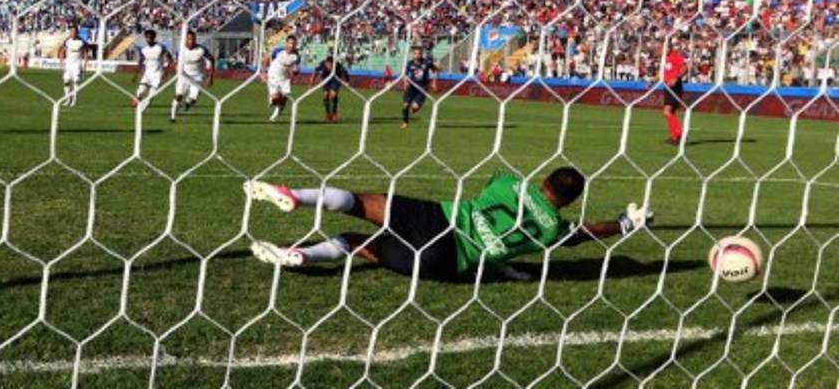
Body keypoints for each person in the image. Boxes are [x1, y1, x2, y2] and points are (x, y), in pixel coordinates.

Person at [246, 167, 653, 280]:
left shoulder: (510, 182)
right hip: (445, 262)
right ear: (571, 201)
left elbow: (490, 186)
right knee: (354, 242)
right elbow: (582, 234)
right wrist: (623, 224)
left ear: (544, 179)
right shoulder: (553, 231)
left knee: (357, 202)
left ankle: (296, 196)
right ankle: (302, 255)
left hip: (438, 218)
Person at [171, 29, 214, 122]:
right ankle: (172, 117)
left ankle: (187, 104)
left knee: (193, 99)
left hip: (198, 77)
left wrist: (210, 77)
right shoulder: (181, 50)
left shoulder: (201, 50)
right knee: (179, 95)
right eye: (189, 39)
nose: (192, 41)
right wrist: (176, 69)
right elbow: (175, 63)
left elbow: (212, 59)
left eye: (193, 39)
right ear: (185, 39)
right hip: (184, 76)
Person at [131, 29, 173, 110]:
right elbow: (141, 62)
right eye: (147, 37)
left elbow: (170, 59)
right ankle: (138, 104)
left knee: (151, 95)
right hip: (147, 75)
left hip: (157, 75)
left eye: (150, 37)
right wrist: (135, 75)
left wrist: (166, 73)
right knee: (139, 93)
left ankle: (141, 110)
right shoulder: (144, 49)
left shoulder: (160, 47)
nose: (149, 39)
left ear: (154, 38)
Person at [267, 35, 301, 122]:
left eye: (293, 44)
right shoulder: (278, 50)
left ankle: (277, 113)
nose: (291, 45)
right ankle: (272, 100)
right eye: (290, 43)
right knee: (275, 99)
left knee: (284, 97)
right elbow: (266, 58)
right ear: (286, 43)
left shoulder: (296, 56)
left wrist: (295, 72)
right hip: (273, 76)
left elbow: (296, 70)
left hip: (285, 77)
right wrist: (263, 72)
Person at [400, 46, 435, 128]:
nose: (417, 55)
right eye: (415, 53)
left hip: (422, 88)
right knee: (405, 105)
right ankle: (405, 122)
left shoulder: (426, 62)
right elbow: (404, 75)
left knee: (414, 107)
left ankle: (418, 106)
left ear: (421, 54)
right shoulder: (410, 63)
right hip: (412, 87)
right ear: (413, 54)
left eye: (419, 53)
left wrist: (434, 82)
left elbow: (436, 70)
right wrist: (405, 82)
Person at [661, 40, 687, 146]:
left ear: (670, 48)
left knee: (667, 111)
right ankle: (675, 137)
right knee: (670, 112)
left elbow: (685, 68)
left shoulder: (676, 56)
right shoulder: (665, 58)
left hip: (675, 87)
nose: (663, 50)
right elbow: (663, 72)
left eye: (665, 48)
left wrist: (676, 78)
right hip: (667, 87)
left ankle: (680, 135)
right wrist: (652, 80)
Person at [313, 53, 350, 123]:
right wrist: (312, 83)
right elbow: (315, 72)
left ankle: (334, 113)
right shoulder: (322, 64)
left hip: (335, 79)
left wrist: (347, 82)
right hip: (326, 79)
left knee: (333, 95)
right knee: (325, 95)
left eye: (331, 64)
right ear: (326, 63)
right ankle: (328, 114)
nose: (329, 66)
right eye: (328, 64)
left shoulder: (338, 65)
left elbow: (345, 73)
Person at [58, 23, 88, 107]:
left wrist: (84, 65)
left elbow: (86, 53)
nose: (73, 33)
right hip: (68, 64)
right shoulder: (67, 41)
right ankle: (67, 99)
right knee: (66, 81)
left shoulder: (81, 41)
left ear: (77, 32)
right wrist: (61, 62)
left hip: (77, 64)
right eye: (71, 31)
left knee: (76, 81)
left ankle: (74, 100)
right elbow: (62, 51)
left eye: (74, 31)